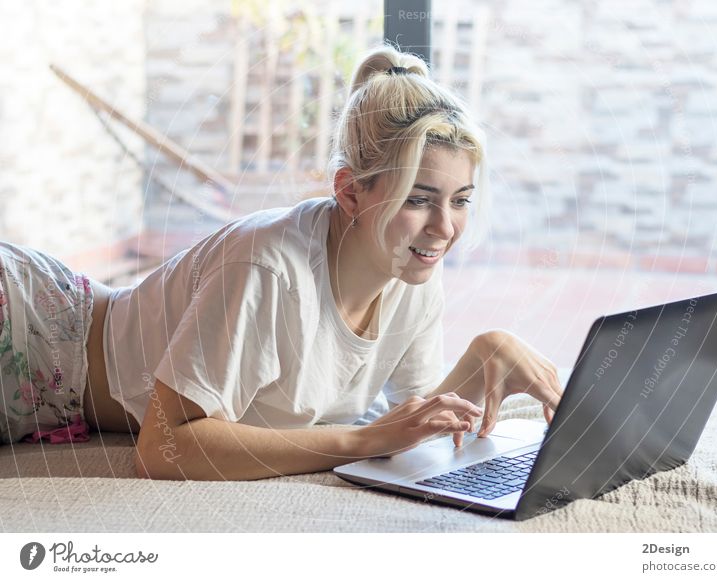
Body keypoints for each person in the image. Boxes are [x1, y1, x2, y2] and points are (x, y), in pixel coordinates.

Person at [0, 45, 563, 480]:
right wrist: (360, 443)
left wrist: (484, 354)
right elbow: (164, 447)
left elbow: (410, 420)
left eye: (459, 200)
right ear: (350, 192)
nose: (445, 228)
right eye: (418, 199)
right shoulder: (269, 267)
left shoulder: (412, 269)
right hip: (28, 327)